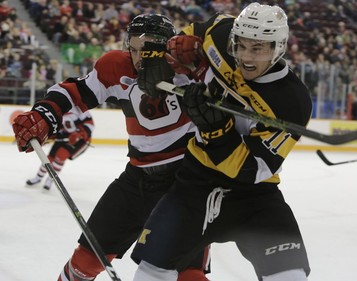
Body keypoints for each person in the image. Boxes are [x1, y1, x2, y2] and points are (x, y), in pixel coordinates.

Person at [12, 14, 210, 281]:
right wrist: (45, 112)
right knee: (83, 263)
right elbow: (75, 91)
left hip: (185, 184)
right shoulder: (117, 66)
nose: (140, 57)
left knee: (186, 273)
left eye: (149, 49)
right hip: (135, 182)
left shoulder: (190, 71)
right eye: (135, 48)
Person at [130, 3, 312, 281]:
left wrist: (216, 129)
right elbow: (196, 31)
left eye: (258, 49)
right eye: (241, 46)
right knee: (150, 273)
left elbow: (250, 170)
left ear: (278, 47)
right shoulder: (222, 35)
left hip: (254, 196)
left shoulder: (292, 103)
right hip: (194, 185)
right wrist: (160, 57)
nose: (246, 58)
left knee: (291, 276)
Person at [26, 107, 94, 191]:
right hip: (64, 136)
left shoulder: (80, 109)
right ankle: (38, 177)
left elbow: (90, 124)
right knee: (49, 158)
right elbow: (55, 127)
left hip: (80, 139)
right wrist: (47, 137)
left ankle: (50, 179)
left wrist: (79, 133)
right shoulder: (57, 110)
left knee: (60, 157)